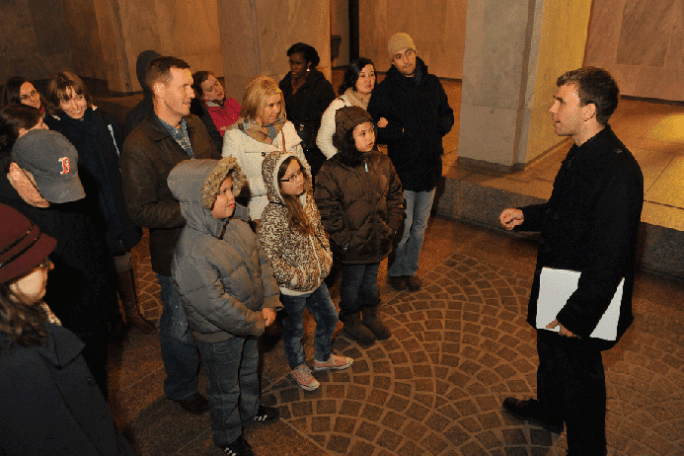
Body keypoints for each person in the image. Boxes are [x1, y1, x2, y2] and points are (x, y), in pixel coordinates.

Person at [499, 67, 643, 456]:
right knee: (548, 353)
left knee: (582, 380)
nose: (551, 109)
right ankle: (549, 410)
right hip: (558, 281)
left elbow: (611, 256)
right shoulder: (582, 151)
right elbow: (567, 211)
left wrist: (578, 317)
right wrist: (528, 216)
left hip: (580, 298)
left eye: (561, 101)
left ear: (589, 111)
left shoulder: (619, 170)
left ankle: (588, 449)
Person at [121, 56, 221, 415]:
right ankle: (180, 387)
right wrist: (196, 208)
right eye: (185, 86)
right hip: (175, 252)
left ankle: (215, 370)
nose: (192, 93)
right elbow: (140, 210)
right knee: (179, 324)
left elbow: (213, 168)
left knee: (212, 312)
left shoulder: (194, 124)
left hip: (212, 242)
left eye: (192, 85)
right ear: (159, 89)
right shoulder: (139, 144)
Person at [0, 204, 137, 456]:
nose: (50, 267)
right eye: (39, 262)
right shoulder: (19, 364)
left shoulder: (26, 319)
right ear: (10, 276)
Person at [168, 157, 281, 456]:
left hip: (251, 319)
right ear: (200, 200)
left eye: (231, 189)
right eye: (222, 192)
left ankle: (250, 409)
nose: (231, 197)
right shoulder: (191, 252)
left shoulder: (235, 224)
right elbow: (217, 306)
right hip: (220, 336)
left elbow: (262, 260)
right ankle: (228, 435)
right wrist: (257, 321)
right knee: (224, 388)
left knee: (248, 371)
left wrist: (269, 301)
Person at [0, 129, 115, 397]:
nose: (55, 198)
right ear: (17, 173)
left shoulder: (68, 182)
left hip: (88, 312)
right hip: (37, 329)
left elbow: (93, 240)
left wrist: (104, 296)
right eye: (45, 188)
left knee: (97, 390)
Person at [45, 71, 153, 334]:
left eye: (79, 96)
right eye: (67, 100)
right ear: (57, 104)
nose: (75, 105)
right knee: (99, 265)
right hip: (88, 213)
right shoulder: (56, 134)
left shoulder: (105, 122)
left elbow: (121, 163)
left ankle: (132, 312)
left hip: (115, 204)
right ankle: (113, 318)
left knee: (123, 258)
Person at [259, 150, 353, 391]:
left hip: (315, 279)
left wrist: (326, 255)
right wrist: (295, 275)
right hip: (292, 289)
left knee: (330, 317)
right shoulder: (273, 216)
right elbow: (268, 258)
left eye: (298, 172)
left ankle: (322, 358)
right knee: (294, 330)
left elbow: (319, 229)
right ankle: (298, 366)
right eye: (290, 178)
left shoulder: (307, 199)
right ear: (275, 184)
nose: (298, 179)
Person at [367, 32, 454, 292]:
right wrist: (398, 132)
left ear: (415, 53)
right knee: (402, 228)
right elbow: (373, 128)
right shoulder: (385, 91)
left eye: (409, 53)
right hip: (403, 170)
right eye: (398, 56)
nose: (406, 60)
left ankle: (409, 269)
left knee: (419, 227)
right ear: (392, 61)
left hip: (429, 167)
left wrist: (435, 127)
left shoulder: (432, 84)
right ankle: (395, 271)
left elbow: (447, 115)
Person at [314, 107, 403, 345]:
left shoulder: (382, 161)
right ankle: (352, 319)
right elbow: (326, 208)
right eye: (362, 133)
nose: (370, 137)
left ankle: (371, 315)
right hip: (352, 247)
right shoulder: (332, 170)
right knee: (352, 285)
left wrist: (392, 227)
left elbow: (395, 194)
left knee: (371, 282)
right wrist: (344, 239)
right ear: (347, 137)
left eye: (371, 130)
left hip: (378, 240)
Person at [222, 75, 310, 223]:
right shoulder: (235, 136)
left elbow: (305, 166)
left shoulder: (286, 127)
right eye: (270, 105)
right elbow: (230, 183)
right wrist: (273, 183)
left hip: (295, 214)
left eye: (278, 103)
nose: (276, 110)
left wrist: (304, 197)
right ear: (255, 105)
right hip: (260, 217)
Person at [279, 42, 336, 179]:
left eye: (298, 63)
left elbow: (330, 119)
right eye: (291, 63)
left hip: (313, 147)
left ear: (309, 63)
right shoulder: (285, 84)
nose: (293, 67)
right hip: (290, 143)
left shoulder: (321, 86)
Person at [317, 57, 386, 159]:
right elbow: (322, 140)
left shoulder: (378, 103)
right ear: (353, 79)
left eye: (371, 75)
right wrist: (342, 163)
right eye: (362, 76)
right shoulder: (340, 105)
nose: (368, 80)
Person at [192, 71, 240, 137]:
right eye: (210, 89)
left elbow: (250, 124)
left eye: (216, 83)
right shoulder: (205, 115)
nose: (217, 89)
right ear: (203, 96)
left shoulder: (231, 101)